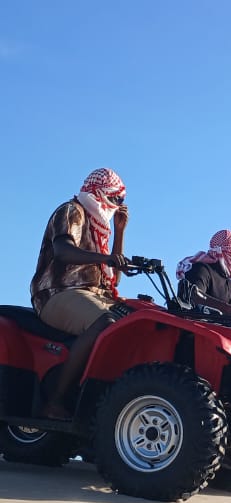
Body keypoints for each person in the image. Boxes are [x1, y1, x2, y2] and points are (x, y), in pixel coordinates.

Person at [30, 167, 130, 418]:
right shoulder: (71, 211)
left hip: (95, 295)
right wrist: (107, 257)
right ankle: (55, 401)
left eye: (122, 201)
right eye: (115, 199)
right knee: (105, 322)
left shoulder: (102, 229)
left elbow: (113, 277)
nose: (118, 205)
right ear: (99, 193)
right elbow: (64, 251)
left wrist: (119, 232)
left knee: (133, 322)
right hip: (58, 292)